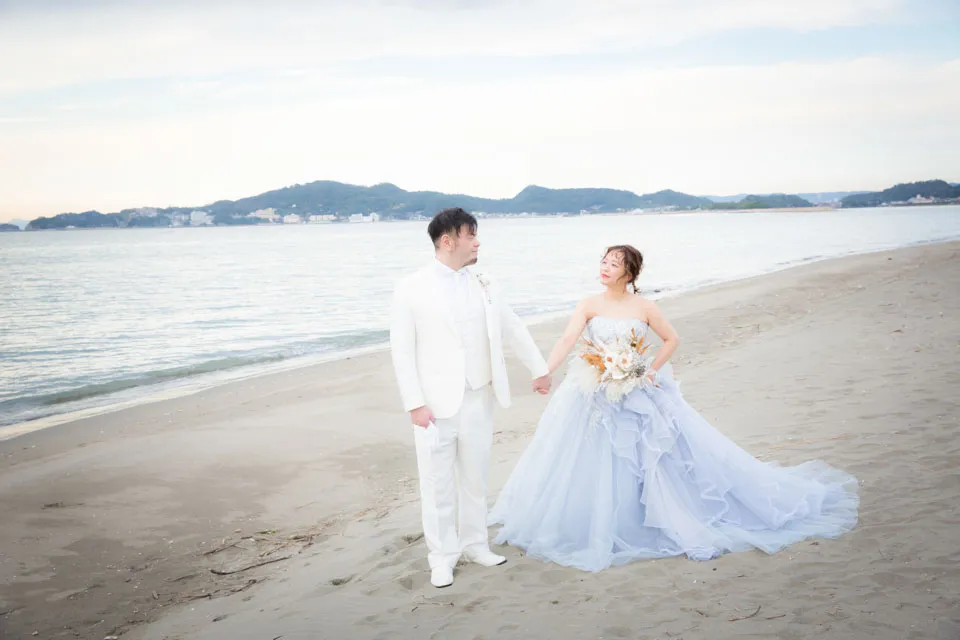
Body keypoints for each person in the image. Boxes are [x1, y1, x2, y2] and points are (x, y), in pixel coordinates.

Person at [489, 244, 859, 572]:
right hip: (593, 391)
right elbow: (568, 339)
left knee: (650, 458)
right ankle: (598, 520)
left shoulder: (645, 307)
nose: (604, 267)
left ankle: (655, 516)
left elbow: (671, 339)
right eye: (603, 261)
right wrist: (544, 371)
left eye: (613, 264)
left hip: (635, 389)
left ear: (629, 273)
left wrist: (647, 369)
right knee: (590, 457)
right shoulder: (588, 304)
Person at [389, 207, 552, 587]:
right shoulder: (410, 288)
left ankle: (476, 544)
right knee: (437, 485)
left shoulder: (486, 282)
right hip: (434, 405)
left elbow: (512, 326)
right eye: (471, 235)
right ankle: (442, 557)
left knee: (475, 478)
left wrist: (538, 367)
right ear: (448, 241)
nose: (477, 242)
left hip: (478, 396)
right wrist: (415, 403)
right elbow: (402, 351)